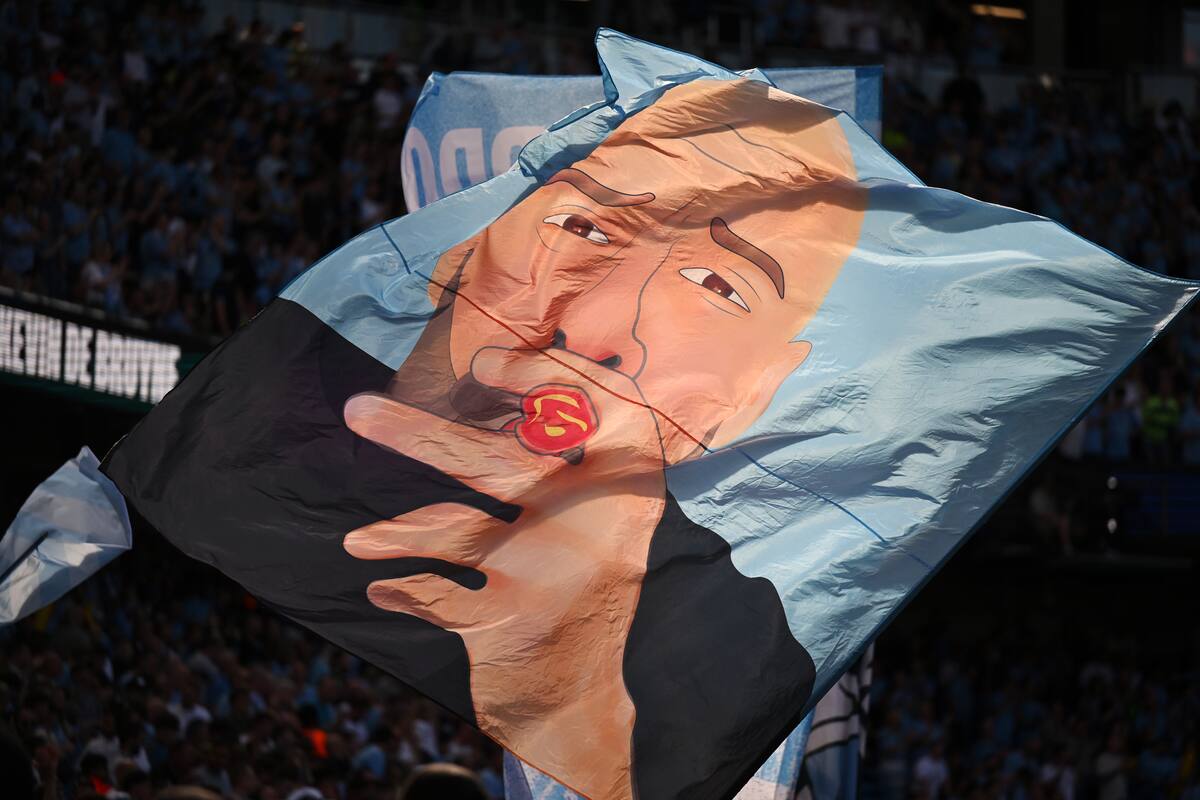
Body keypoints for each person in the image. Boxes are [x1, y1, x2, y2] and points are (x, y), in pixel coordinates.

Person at [341, 78, 865, 799]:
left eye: (717, 284)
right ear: (459, 255)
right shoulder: (267, 475)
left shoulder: (758, 639)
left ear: (762, 387)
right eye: (587, 228)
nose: (595, 334)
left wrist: (581, 712)